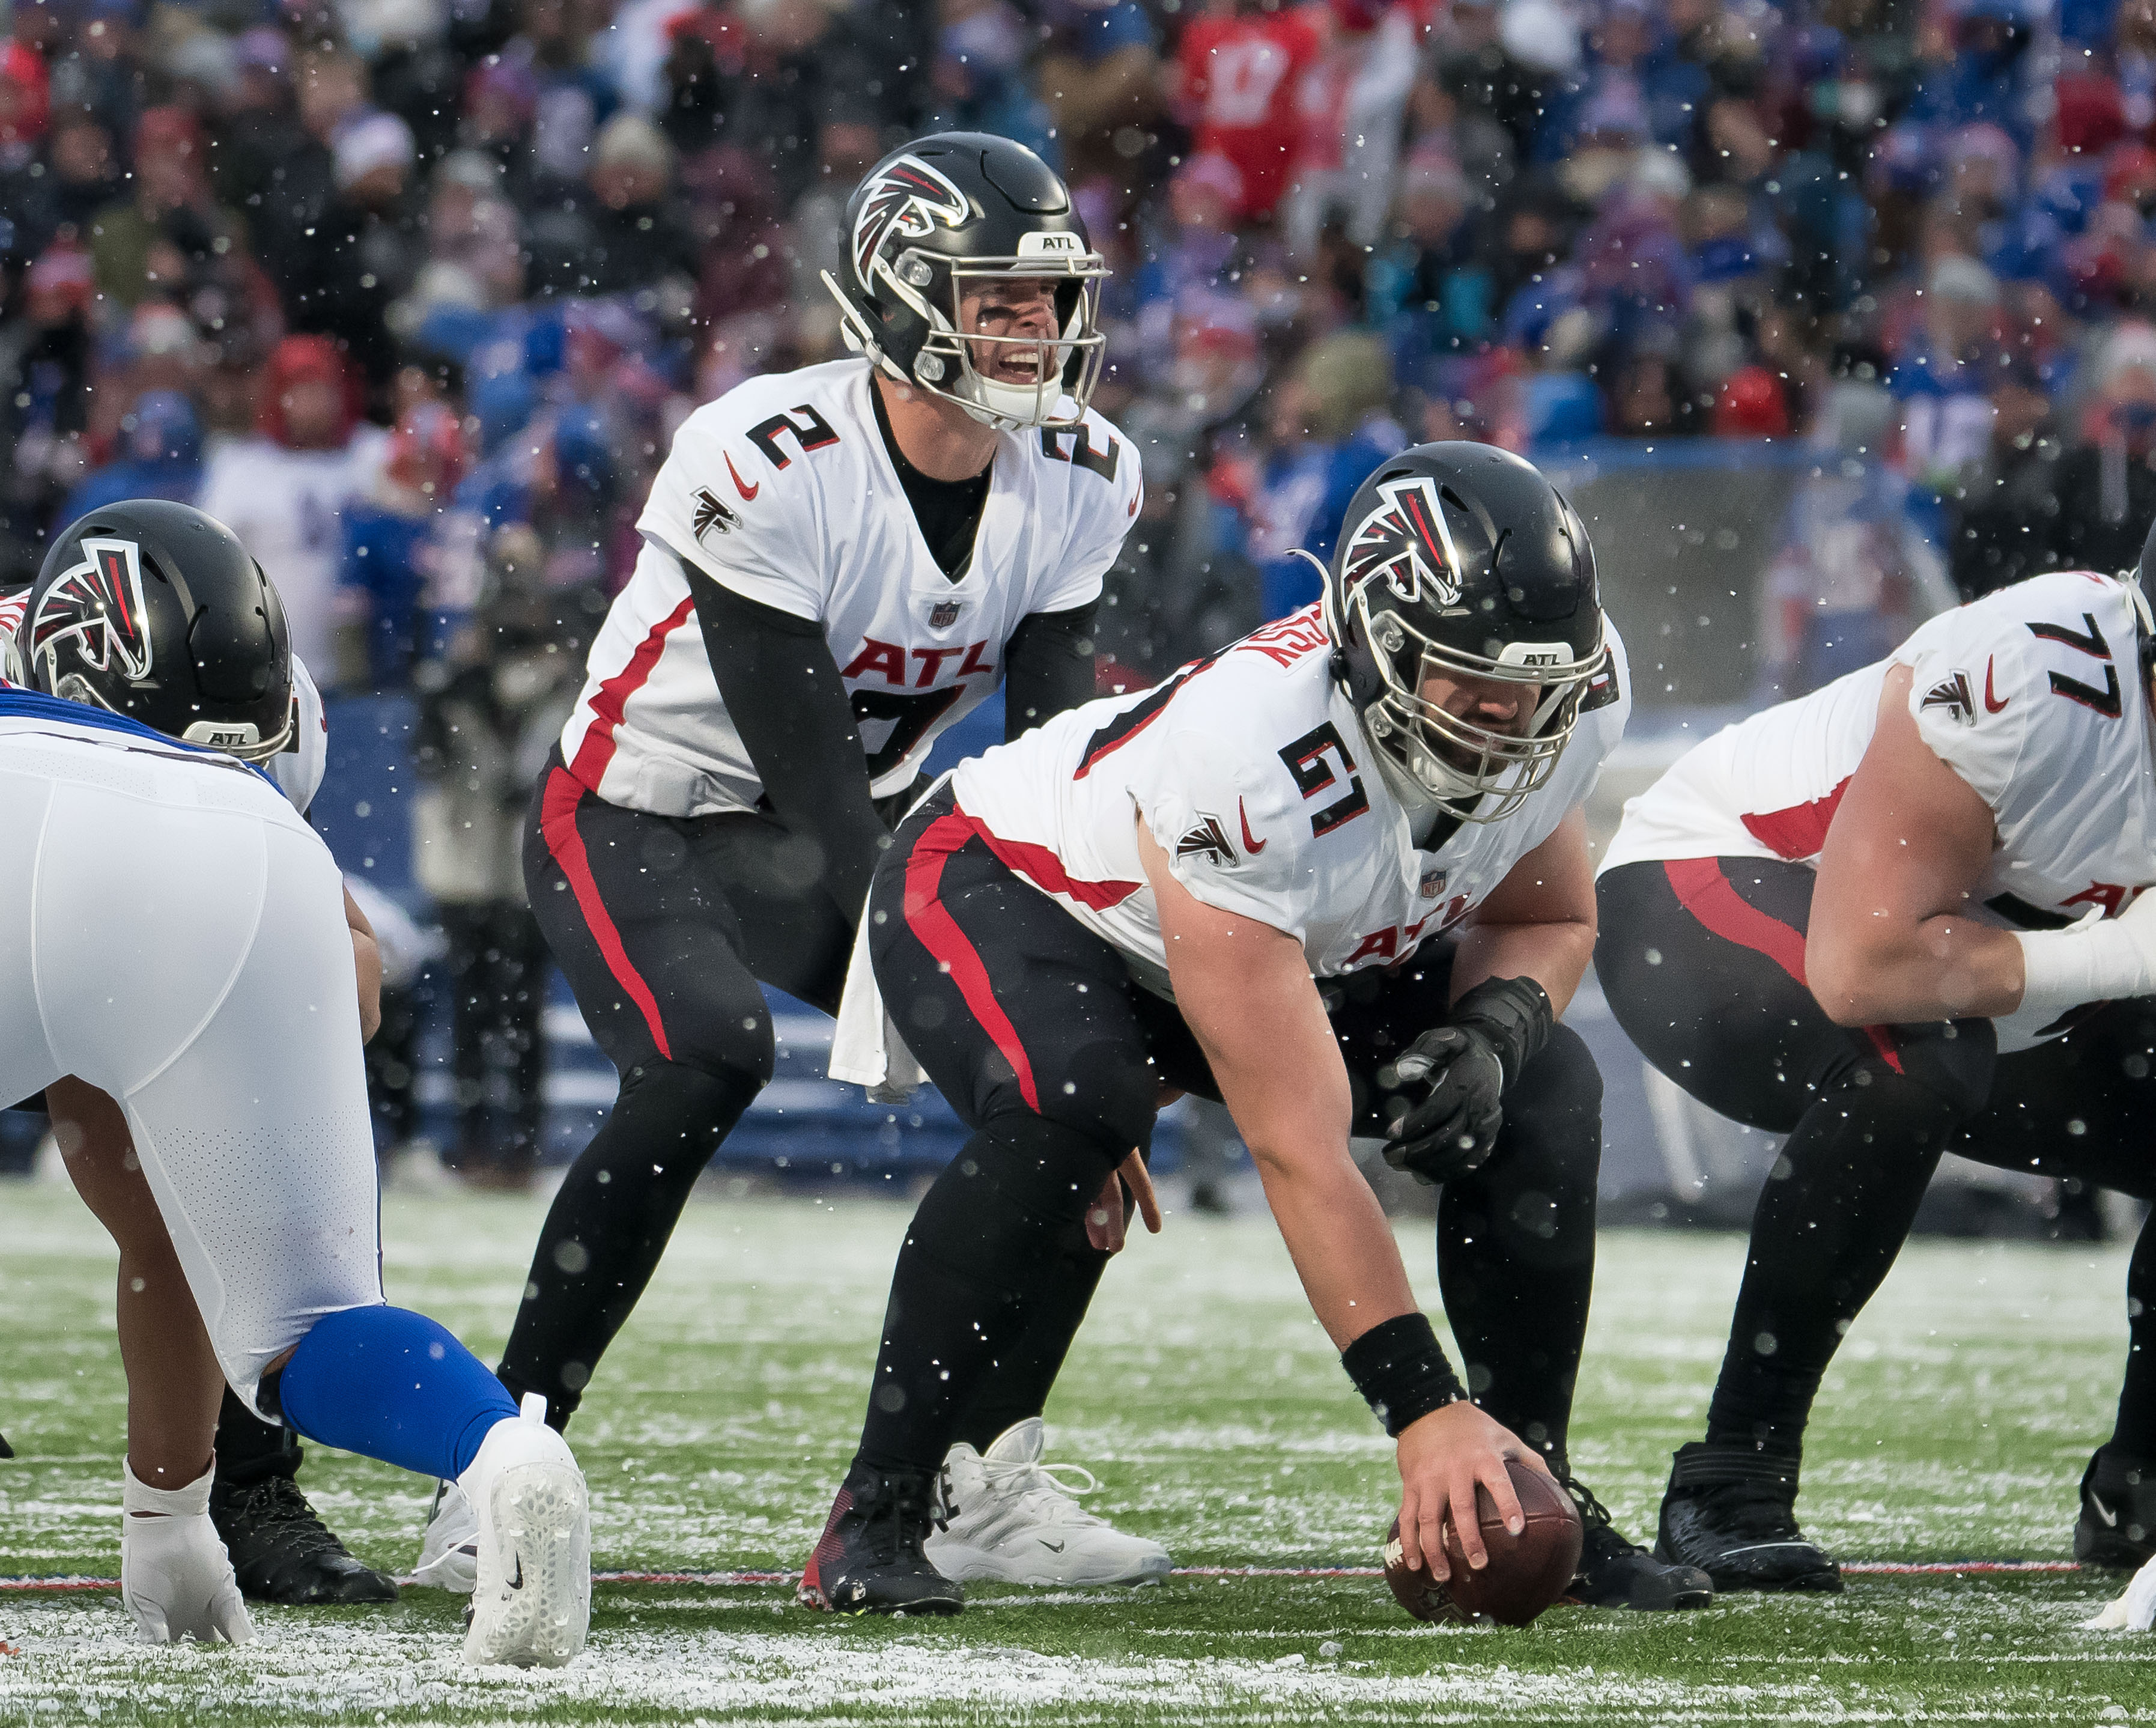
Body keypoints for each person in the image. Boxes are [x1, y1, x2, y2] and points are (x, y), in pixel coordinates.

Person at [415, 132, 1164, 1593]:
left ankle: (976, 1478)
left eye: (1046, 298)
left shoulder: (1084, 471)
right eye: (996, 297)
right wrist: (951, 950)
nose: (1036, 329)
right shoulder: (767, 454)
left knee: (1077, 1089)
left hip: (842, 821)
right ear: (895, 296)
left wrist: (1080, 1000)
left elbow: (1052, 752)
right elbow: (814, 777)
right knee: (705, 1054)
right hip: (640, 804)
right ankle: (500, 1461)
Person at [807, 442, 1712, 1617]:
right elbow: (1299, 1146)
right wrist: (1419, 1411)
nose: (1508, 720)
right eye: (1468, 685)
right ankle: (879, 1504)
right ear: (1375, 647)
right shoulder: (1253, 758)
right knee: (1073, 1101)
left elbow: (1546, 913)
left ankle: (1531, 1475)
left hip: (1290, 938)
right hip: (1016, 885)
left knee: (1545, 1088)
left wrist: (1493, 1026)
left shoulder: (1568, 691)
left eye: (1531, 692)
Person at [1, 500, 589, 1664]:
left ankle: (183, 1514)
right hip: (238, 869)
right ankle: (497, 1451)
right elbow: (354, 981)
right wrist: (165, 1514)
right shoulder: (275, 704)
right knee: (293, 1310)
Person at [1596, 543, 2156, 1592]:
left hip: (1962, 963)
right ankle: (1730, 1478)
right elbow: (1865, 968)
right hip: (1707, 882)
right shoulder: (2032, 673)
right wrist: (2128, 952)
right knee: (1913, 1061)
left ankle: (2141, 1493)